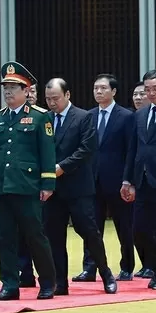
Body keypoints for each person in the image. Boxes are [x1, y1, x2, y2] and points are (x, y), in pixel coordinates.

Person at [42, 78, 116, 295]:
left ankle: (105, 273)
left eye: (55, 98)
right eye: (48, 99)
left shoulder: (83, 117)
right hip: (52, 188)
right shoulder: (44, 118)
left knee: (89, 233)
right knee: (54, 236)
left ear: (67, 95)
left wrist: (61, 167)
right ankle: (60, 282)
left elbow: (86, 150)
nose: (52, 103)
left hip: (78, 187)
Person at [0, 62, 56, 301]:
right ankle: (10, 284)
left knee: (34, 236)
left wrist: (48, 184)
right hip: (2, 187)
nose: (8, 92)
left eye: (14, 87)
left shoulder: (39, 118)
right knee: (4, 237)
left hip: (28, 187)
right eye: (6, 87)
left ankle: (48, 282)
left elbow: (47, 153)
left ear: (27, 90)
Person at [80, 74, 135, 282]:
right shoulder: (88, 116)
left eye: (103, 88)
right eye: (95, 88)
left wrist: (128, 180)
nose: (99, 92)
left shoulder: (126, 116)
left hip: (118, 180)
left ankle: (127, 267)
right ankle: (89, 268)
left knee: (124, 226)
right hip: (92, 180)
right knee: (91, 227)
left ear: (113, 91)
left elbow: (131, 150)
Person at [122, 69, 156, 290]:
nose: (150, 93)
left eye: (155, 89)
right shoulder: (140, 114)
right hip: (142, 180)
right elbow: (133, 149)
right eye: (147, 89)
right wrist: (127, 180)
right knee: (139, 228)